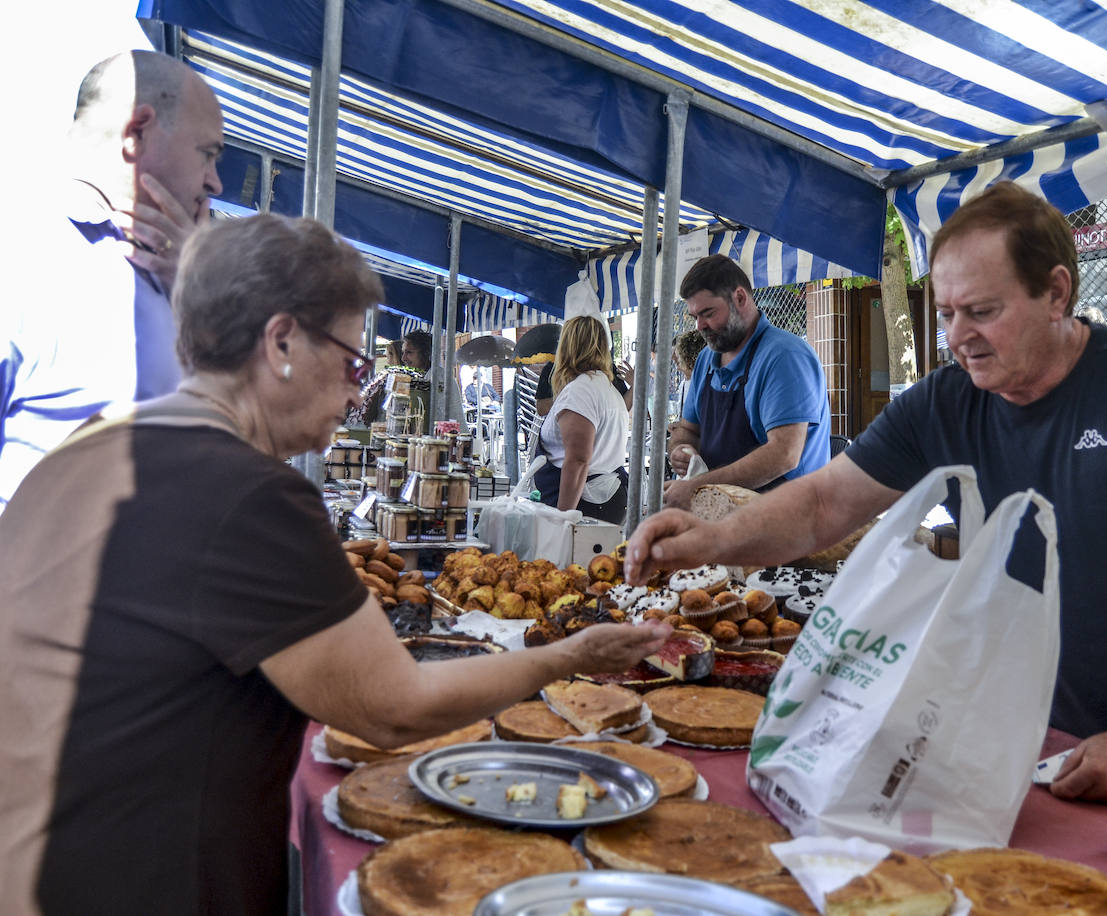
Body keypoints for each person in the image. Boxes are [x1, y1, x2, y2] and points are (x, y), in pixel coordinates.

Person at [0, 214, 671, 916]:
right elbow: (395, 708)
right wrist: (569, 655)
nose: (359, 393)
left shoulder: (85, 447)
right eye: (354, 363)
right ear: (281, 340)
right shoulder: (250, 494)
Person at [627, 182, 1107, 810]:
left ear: (1056, 292)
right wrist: (711, 541)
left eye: (983, 311)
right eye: (946, 313)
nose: (958, 336)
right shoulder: (948, 401)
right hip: (1052, 748)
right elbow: (823, 504)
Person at [0, 50, 224, 512]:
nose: (216, 182)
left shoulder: (172, 263)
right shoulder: (22, 254)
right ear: (136, 133)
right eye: (208, 154)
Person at [663, 255, 831, 510]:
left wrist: (699, 489)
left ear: (740, 298)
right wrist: (680, 449)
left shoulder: (784, 357)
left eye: (708, 313)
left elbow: (783, 455)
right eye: (695, 317)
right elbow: (688, 430)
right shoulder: (706, 360)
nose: (700, 326)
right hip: (724, 515)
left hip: (790, 519)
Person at [531, 315, 631, 523]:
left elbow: (578, 460)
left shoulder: (581, 390)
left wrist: (562, 519)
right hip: (601, 500)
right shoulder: (605, 388)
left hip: (585, 504)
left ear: (567, 346)